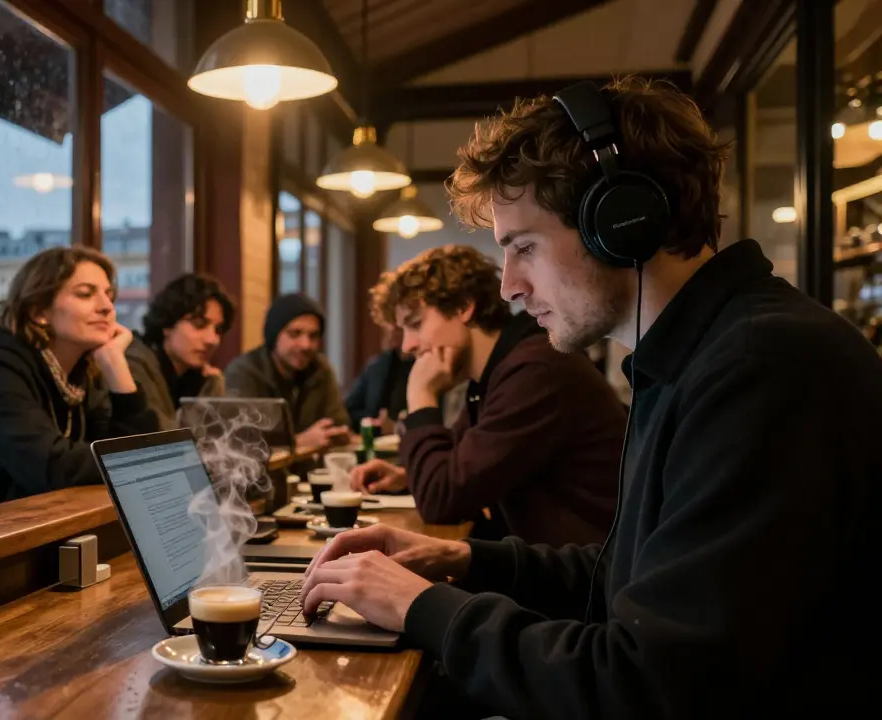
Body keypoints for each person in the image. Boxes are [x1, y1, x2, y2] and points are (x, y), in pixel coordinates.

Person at [299, 77, 881, 717]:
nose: (511, 288)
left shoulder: (762, 370)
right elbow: (626, 579)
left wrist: (418, 605)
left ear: (621, 221)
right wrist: (462, 558)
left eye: (523, 247)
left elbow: (645, 684)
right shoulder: (696, 358)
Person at [349, 245, 625, 545]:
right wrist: (406, 477)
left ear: (463, 307)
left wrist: (421, 398)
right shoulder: (499, 372)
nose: (407, 346)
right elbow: (460, 467)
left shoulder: (535, 371)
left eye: (415, 325)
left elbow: (441, 501)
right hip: (551, 564)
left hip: (589, 579)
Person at [0, 246, 159, 508]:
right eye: (85, 294)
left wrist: (115, 362)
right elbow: (55, 468)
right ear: (39, 312)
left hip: (40, 528)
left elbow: (142, 453)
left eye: (109, 295)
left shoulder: (82, 372)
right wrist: (138, 458)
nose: (107, 307)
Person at [224, 293, 350, 451]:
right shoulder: (245, 372)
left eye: (313, 336)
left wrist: (337, 434)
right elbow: (238, 445)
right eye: (295, 334)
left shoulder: (320, 369)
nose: (305, 345)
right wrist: (298, 442)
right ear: (274, 335)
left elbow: (338, 422)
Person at [126, 273, 235, 431]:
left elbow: (215, 442)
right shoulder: (136, 363)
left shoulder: (195, 377)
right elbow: (164, 441)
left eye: (218, 330)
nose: (213, 340)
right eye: (199, 324)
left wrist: (212, 387)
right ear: (167, 324)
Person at [343, 326, 412, 434]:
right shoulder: (377, 366)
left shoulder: (424, 367)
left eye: (397, 328)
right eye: (388, 326)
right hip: (374, 441)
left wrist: (396, 428)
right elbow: (348, 410)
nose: (391, 332)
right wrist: (372, 422)